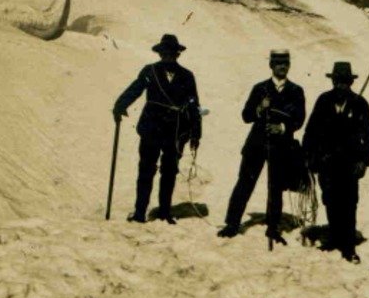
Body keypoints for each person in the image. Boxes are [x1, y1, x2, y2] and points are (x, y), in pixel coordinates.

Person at [217, 49, 306, 246]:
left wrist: (282, 127)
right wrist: (259, 108)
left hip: (281, 146)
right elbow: (246, 115)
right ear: (271, 65)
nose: (282, 66)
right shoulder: (260, 89)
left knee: (276, 188)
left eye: (285, 63)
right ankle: (232, 224)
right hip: (256, 144)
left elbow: (299, 119)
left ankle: (273, 228)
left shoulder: (296, 91)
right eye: (278, 63)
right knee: (244, 183)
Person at [113, 33, 201, 224]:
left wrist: (196, 133)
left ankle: (165, 212)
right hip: (151, 128)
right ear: (160, 54)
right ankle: (139, 212)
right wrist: (120, 105)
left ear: (177, 54)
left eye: (172, 53)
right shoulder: (150, 71)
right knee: (146, 169)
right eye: (164, 53)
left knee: (169, 171)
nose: (168, 56)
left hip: (176, 131)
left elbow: (194, 105)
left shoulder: (187, 76)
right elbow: (135, 89)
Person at [302, 61, 369, 262]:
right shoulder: (323, 101)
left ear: (350, 83)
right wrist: (308, 156)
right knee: (329, 199)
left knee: (349, 202)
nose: (340, 86)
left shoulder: (360, 104)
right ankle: (334, 237)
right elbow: (311, 131)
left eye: (344, 82)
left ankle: (348, 246)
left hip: (349, 164)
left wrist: (364, 161)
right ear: (332, 81)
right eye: (337, 81)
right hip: (326, 162)